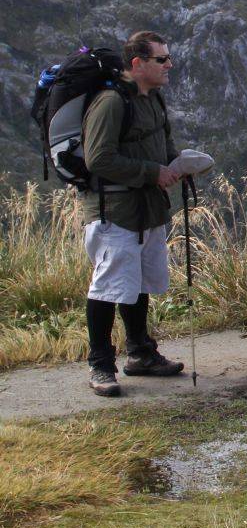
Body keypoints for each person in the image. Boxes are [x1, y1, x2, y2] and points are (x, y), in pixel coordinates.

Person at [81, 31, 184, 397]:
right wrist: (152, 173)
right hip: (116, 211)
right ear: (137, 64)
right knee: (108, 287)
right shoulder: (110, 103)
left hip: (147, 208)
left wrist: (178, 164)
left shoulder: (154, 99)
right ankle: (101, 366)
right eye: (162, 59)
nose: (169, 65)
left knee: (137, 281)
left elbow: (163, 143)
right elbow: (99, 159)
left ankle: (140, 352)